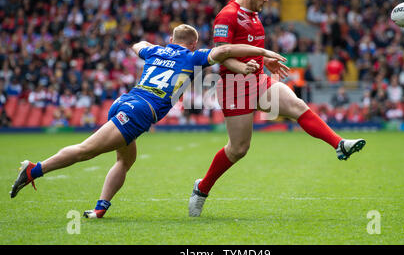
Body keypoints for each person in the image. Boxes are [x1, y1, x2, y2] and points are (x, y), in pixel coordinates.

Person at [9, 24, 286, 219]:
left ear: (171, 39)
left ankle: (100, 208)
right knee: (86, 150)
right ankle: (34, 170)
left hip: (125, 102)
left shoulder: (154, 51)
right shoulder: (193, 56)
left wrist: (154, 46)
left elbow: (137, 45)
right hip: (139, 111)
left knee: (125, 161)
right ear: (193, 43)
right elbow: (224, 51)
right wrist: (262, 52)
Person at [188, 0, 366, 217]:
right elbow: (220, 55)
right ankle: (202, 187)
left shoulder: (255, 16)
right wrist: (242, 67)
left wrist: (264, 61)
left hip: (258, 81)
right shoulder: (227, 16)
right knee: (238, 149)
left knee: (296, 105)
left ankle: (339, 144)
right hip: (234, 88)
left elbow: (252, 49)